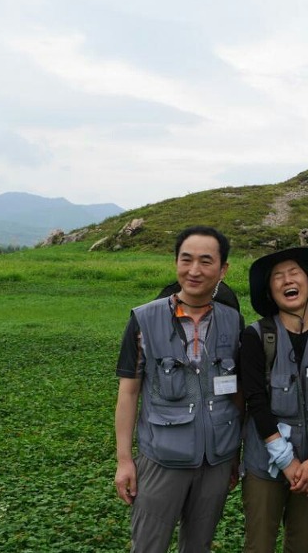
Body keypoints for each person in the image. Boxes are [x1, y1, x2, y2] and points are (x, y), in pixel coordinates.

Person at [114, 225, 245, 553]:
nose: (194, 270)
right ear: (176, 263)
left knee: (198, 546)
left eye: (205, 261)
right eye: (186, 260)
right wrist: (124, 460)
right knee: (148, 545)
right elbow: (129, 392)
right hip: (162, 459)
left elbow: (236, 394)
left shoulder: (233, 321)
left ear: (223, 269)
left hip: (216, 461)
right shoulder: (144, 320)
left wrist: (234, 455)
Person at [240, 246, 308, 553]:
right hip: (267, 462)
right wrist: (286, 461)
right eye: (278, 276)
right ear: (270, 292)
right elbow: (256, 401)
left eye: (294, 272)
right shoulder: (256, 336)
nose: (288, 280)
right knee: (259, 544)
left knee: (300, 544)